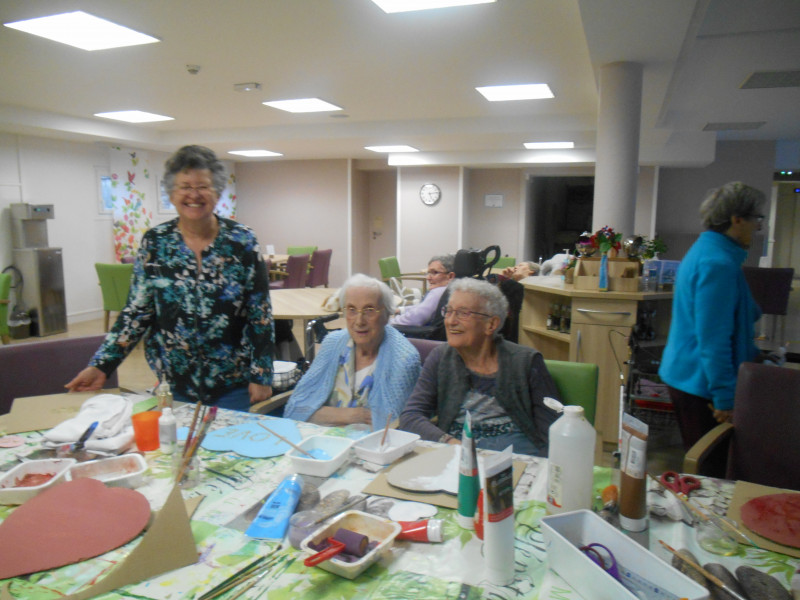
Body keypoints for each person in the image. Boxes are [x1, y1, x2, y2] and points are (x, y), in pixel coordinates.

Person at [66, 145, 274, 411]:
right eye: (184, 186)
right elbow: (136, 313)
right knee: (174, 450)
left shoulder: (242, 240)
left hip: (234, 383)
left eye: (203, 186)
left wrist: (262, 374)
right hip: (173, 384)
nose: (194, 195)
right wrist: (102, 365)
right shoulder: (156, 242)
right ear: (171, 193)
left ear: (217, 191)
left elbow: (261, 313)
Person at [399, 278, 560, 455]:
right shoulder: (440, 358)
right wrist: (449, 442)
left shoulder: (526, 361)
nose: (450, 321)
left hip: (515, 459)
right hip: (459, 459)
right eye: (449, 311)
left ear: (491, 324)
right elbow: (411, 416)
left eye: (462, 313)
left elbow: (553, 429)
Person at [659, 181, 765, 449]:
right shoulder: (717, 263)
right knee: (712, 471)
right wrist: (725, 398)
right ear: (736, 219)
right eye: (756, 218)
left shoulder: (710, 252)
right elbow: (713, 340)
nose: (759, 226)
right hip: (700, 383)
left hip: (691, 376)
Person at [283, 274, 421, 430]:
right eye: (351, 310)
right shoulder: (332, 343)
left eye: (369, 310)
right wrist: (356, 415)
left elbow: (386, 429)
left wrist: (323, 414)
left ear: (387, 314)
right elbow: (295, 410)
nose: (359, 321)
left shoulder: (403, 360)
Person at [390, 254, 455, 327]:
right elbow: (423, 308)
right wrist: (401, 310)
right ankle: (406, 295)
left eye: (435, 273)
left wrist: (389, 322)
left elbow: (415, 318)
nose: (428, 278)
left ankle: (406, 294)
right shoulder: (453, 291)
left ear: (450, 276)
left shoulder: (437, 292)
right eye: (428, 273)